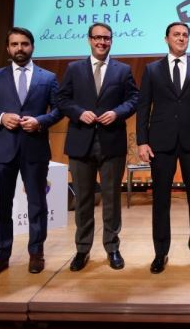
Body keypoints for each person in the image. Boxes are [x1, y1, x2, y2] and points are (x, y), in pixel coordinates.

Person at [0, 27, 62, 282]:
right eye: (14, 44)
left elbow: (58, 110)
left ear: (32, 47)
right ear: (8, 48)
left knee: (37, 203)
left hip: (34, 148)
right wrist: (1, 117)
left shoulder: (48, 77)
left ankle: (36, 252)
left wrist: (41, 121)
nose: (19, 48)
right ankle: (0, 255)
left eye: (24, 44)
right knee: (1, 206)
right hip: (0, 151)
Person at [136, 22, 190, 276]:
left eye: (185, 35)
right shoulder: (152, 70)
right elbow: (143, 107)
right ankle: (160, 253)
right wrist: (142, 141)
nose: (181, 38)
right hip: (160, 143)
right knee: (160, 201)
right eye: (176, 35)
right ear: (166, 38)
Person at [58, 22, 139, 272]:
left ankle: (112, 247)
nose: (102, 42)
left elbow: (134, 99)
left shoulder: (122, 70)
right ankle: (82, 250)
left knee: (111, 199)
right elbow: (62, 99)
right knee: (82, 200)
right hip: (80, 142)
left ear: (111, 40)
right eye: (97, 38)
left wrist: (117, 113)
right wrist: (78, 113)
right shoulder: (74, 69)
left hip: (111, 143)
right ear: (89, 40)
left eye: (106, 38)